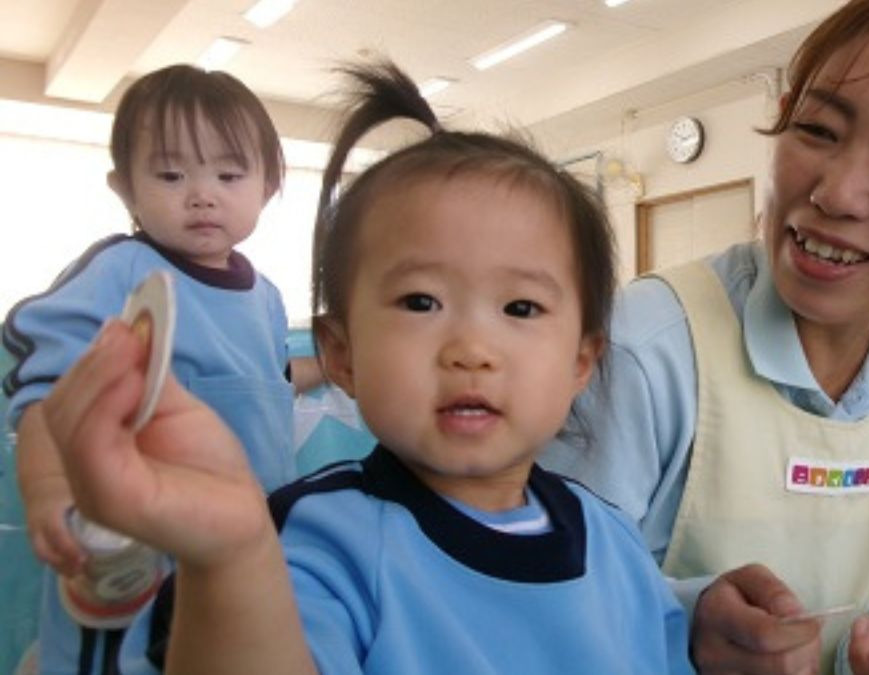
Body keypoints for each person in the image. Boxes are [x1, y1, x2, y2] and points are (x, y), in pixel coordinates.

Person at [41, 62, 695, 675]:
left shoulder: (614, 540)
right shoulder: (316, 539)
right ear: (342, 353)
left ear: (582, 360)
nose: (471, 348)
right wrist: (232, 556)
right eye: (420, 302)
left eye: (520, 306)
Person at [541, 0, 869, 673]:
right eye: (815, 129)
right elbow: (534, 603)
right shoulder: (643, 351)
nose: (837, 193)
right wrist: (685, 629)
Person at [2, 64, 314, 674]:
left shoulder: (267, 296)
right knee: (109, 654)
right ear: (125, 189)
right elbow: (53, 391)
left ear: (270, 185)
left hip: (242, 542)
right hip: (134, 543)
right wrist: (51, 493)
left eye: (229, 174)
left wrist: (329, 364)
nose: (202, 193)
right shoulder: (121, 272)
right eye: (170, 175)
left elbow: (269, 384)